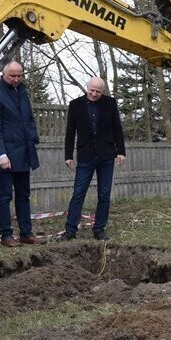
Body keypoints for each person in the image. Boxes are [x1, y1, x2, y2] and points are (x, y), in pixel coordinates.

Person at [0, 61, 42, 247]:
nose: (16, 79)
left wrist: (33, 137)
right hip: (7, 155)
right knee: (5, 196)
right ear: (3, 74)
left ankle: (26, 233)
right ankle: (6, 235)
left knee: (24, 195)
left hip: (24, 152)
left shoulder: (23, 92)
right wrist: (1, 154)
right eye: (13, 76)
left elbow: (28, 120)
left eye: (19, 75)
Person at [60, 77, 126, 241]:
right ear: (87, 87)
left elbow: (117, 127)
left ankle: (99, 229)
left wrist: (121, 151)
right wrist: (68, 155)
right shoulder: (75, 105)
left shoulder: (110, 104)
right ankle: (70, 230)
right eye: (92, 90)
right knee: (78, 193)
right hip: (86, 155)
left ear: (102, 91)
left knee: (104, 194)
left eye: (98, 91)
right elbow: (70, 132)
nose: (94, 94)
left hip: (106, 154)